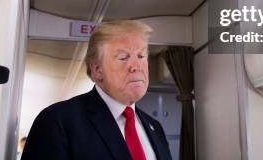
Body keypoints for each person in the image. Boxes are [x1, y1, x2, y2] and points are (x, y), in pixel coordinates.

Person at [22, 20, 172, 160]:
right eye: (123, 57)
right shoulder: (56, 121)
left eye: (141, 56)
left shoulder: (155, 127)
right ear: (97, 70)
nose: (136, 66)